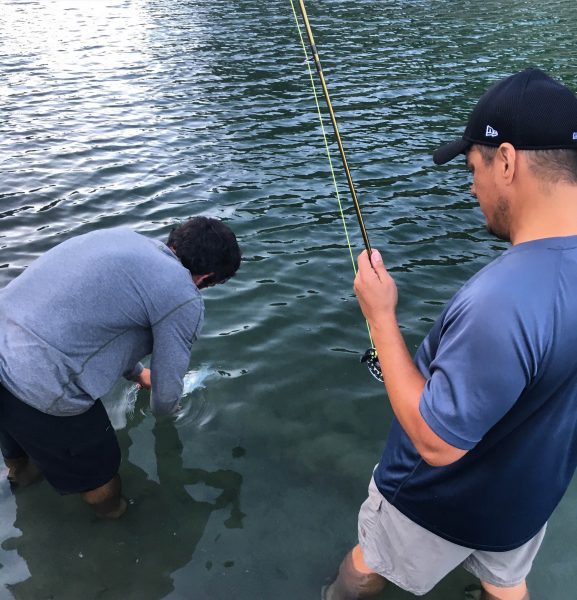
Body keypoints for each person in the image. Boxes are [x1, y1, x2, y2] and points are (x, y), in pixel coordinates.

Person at [325, 68, 577, 600]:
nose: (472, 185)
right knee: (506, 585)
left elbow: (435, 443)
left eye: (474, 167)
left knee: (364, 566)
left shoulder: (502, 300)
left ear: (506, 161)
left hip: (435, 501)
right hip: (529, 499)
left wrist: (380, 315)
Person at [0, 216, 241, 518]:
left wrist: (138, 373)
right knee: (101, 475)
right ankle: (115, 524)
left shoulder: (122, 239)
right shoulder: (184, 295)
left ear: (174, 242)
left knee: (20, 450)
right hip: (41, 382)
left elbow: (97, 319)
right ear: (206, 278)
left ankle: (21, 485)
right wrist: (171, 415)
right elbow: (166, 398)